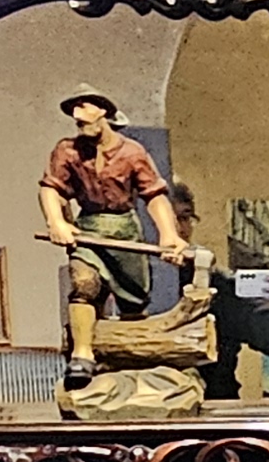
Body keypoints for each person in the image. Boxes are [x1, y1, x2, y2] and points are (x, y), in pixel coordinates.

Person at [37, 92, 201, 386]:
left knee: (133, 299)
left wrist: (169, 235)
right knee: (84, 284)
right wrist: (57, 222)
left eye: (83, 109)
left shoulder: (132, 152)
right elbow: (51, 189)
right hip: (89, 230)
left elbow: (154, 195)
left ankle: (131, 362)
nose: (78, 118)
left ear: (103, 112)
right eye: (76, 118)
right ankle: (82, 356)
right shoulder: (67, 151)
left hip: (124, 230)